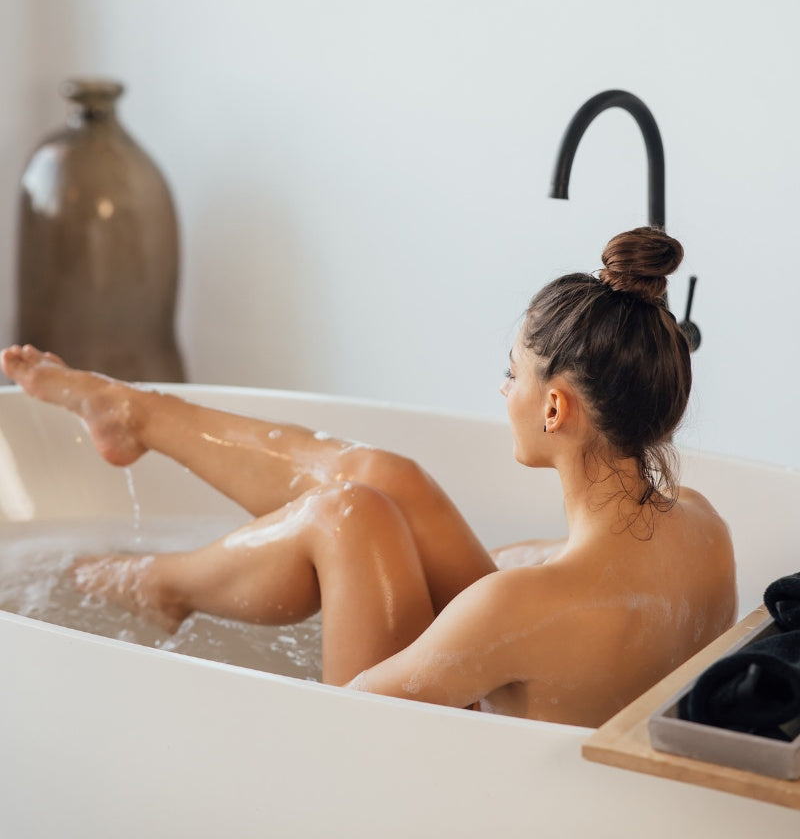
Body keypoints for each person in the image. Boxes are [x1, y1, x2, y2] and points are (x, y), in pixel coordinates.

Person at [0, 226, 736, 728]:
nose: (502, 392)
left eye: (510, 374)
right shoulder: (704, 528)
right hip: (558, 730)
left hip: (443, 800)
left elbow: (343, 736)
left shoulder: (522, 604)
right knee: (390, 480)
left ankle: (161, 582)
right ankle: (133, 413)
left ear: (553, 407)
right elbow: (575, 592)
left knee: (345, 517)